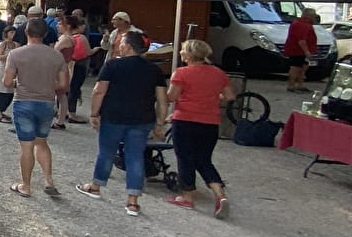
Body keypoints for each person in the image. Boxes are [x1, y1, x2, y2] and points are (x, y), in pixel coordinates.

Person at [80, 31, 168, 217]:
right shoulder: (154, 70)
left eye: (121, 42)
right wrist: (160, 123)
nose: (119, 44)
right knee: (135, 156)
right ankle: (132, 201)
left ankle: (96, 186)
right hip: (142, 119)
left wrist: (94, 113)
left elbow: (99, 91)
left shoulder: (113, 65)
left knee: (106, 152)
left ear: (127, 46)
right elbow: (162, 100)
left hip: (113, 116)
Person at [163, 39, 236, 219]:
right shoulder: (218, 73)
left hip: (185, 120)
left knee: (185, 158)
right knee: (204, 159)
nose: (180, 54)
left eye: (182, 52)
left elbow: (171, 97)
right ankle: (220, 194)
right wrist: (211, 97)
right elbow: (230, 96)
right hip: (210, 122)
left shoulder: (181, 73)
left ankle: (187, 196)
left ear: (188, 55)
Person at [2, 19, 69, 198]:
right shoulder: (56, 56)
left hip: (23, 101)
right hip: (46, 102)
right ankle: (48, 180)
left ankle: (26, 185)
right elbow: (63, 85)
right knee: (42, 142)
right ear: (46, 34)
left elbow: (7, 82)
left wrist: (19, 83)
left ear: (26, 33)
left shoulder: (16, 54)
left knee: (26, 146)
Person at [281, 7, 318, 92]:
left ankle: (300, 85)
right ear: (308, 16)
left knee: (303, 68)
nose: (314, 18)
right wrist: (307, 52)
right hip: (297, 51)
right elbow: (301, 40)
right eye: (313, 16)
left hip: (301, 51)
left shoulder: (302, 23)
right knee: (295, 68)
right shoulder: (301, 25)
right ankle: (291, 86)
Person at [0, 25, 18, 122]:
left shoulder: (16, 44)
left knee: (9, 92)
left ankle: (2, 110)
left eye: (14, 33)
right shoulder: (2, 44)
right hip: (2, 69)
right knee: (0, 91)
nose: (13, 35)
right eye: (11, 33)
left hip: (12, 70)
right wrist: (10, 54)